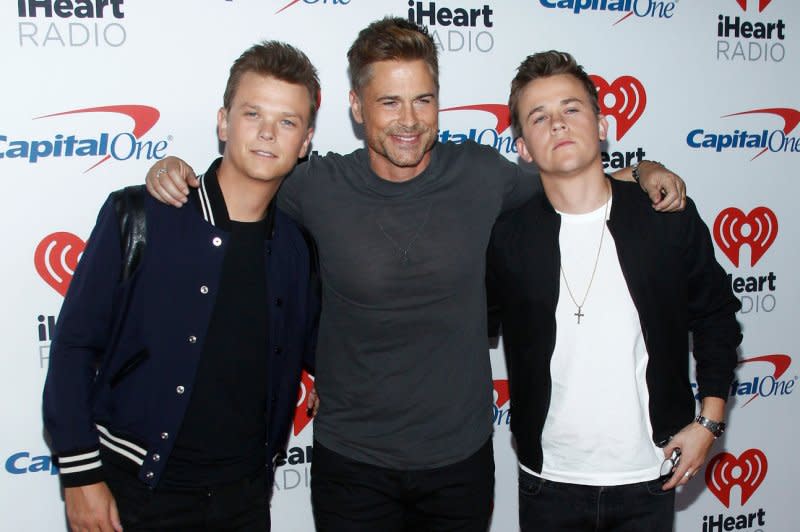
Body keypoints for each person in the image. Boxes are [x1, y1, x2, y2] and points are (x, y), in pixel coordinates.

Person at [145, 18, 686, 531]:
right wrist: (173, 171)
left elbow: (571, 175)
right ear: (357, 107)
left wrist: (642, 169)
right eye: (389, 102)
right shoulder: (315, 185)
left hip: (459, 463)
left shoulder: (480, 174)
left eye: (423, 100)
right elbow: (243, 181)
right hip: (351, 465)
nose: (409, 120)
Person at [42, 41, 320, 531]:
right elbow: (73, 347)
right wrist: (80, 475)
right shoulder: (142, 214)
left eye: (287, 121)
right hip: (136, 493)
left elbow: (323, 348)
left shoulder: (298, 248)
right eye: (252, 112)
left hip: (245, 499)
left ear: (305, 141)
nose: (267, 133)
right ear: (223, 121)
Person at [486, 50, 742, 532]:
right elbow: (460, 328)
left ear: (603, 125)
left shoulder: (666, 217)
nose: (558, 124)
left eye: (571, 109)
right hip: (548, 481)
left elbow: (716, 317)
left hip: (651, 473)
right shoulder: (507, 238)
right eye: (539, 117)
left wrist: (708, 422)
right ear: (522, 147)